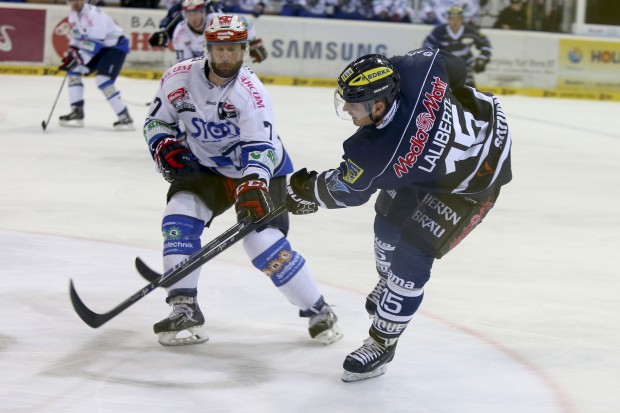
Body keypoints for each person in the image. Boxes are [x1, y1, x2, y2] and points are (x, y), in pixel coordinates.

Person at [285, 49, 512, 382]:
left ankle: (381, 343)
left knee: (411, 256)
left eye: (353, 103)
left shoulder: (374, 152)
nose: (347, 108)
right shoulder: (415, 67)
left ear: (378, 106)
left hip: (472, 186)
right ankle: (387, 282)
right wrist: (454, 99)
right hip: (470, 141)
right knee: (386, 225)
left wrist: (307, 189)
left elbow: (346, 191)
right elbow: (455, 65)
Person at [142, 14, 342, 347]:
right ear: (207, 48)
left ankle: (319, 310)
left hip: (260, 172)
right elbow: (155, 121)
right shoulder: (177, 79)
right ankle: (184, 306)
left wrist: (252, 183)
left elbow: (261, 146)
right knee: (178, 219)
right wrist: (163, 144)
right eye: (219, 49)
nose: (226, 57)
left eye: (233, 49)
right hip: (205, 166)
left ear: (244, 49)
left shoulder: (252, 93)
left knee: (262, 244)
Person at [58, 0, 134, 130]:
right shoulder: (73, 14)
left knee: (103, 80)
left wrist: (78, 58)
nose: (74, 2)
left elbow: (95, 42)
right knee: (74, 70)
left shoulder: (94, 14)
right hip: (100, 47)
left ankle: (125, 118)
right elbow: (76, 38)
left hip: (115, 47)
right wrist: (72, 55)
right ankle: (77, 112)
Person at [149, 0, 268, 64]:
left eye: (197, 13)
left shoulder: (214, 13)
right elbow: (172, 15)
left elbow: (242, 22)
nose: (194, 18)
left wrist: (252, 42)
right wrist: (163, 32)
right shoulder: (181, 27)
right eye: (189, 14)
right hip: (204, 64)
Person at [422, 5, 491, 87]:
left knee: (469, 91)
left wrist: (481, 60)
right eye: (452, 19)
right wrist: (431, 61)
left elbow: (485, 45)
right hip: (444, 67)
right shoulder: (439, 31)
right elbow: (427, 46)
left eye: (458, 19)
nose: (455, 22)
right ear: (448, 19)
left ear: (462, 20)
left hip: (465, 67)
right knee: (440, 92)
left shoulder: (470, 31)